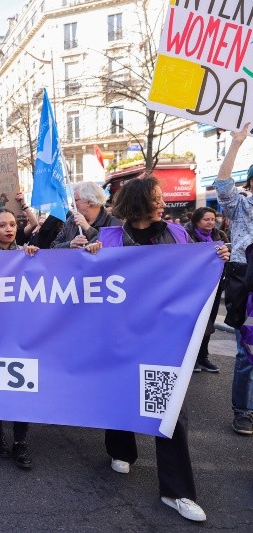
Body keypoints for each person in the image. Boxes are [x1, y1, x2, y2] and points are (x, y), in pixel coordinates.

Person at [90, 176, 230, 523]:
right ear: (139, 202)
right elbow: (82, 278)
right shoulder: (108, 237)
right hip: (119, 335)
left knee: (170, 410)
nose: (163, 202)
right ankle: (121, 450)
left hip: (164, 338)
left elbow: (192, 275)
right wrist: (84, 253)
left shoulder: (178, 234)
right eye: (157, 198)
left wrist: (216, 259)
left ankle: (177, 491)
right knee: (120, 395)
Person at [0, 208, 38, 469]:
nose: (9, 229)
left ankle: (20, 442)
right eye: (2, 225)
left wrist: (32, 259)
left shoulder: (27, 254)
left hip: (21, 331)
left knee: (21, 384)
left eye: (13, 224)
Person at [212, 124, 253, 437]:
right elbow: (223, 184)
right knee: (248, 353)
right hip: (247, 283)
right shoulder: (242, 206)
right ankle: (243, 410)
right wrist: (236, 143)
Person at [185, 207, 229, 373]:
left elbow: (226, 258)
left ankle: (203, 357)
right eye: (206, 219)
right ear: (197, 221)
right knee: (193, 323)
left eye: (213, 219)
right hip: (192, 287)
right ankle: (191, 359)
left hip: (215, 286)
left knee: (209, 323)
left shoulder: (220, 236)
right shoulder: (185, 235)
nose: (211, 222)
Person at [51, 182, 121, 249]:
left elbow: (111, 248)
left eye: (76, 200)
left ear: (90, 202)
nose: (72, 204)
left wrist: (88, 229)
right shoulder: (72, 220)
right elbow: (53, 246)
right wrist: (70, 244)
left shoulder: (112, 222)